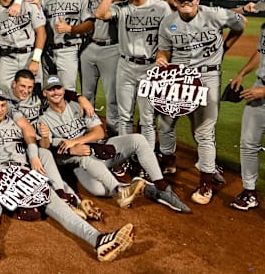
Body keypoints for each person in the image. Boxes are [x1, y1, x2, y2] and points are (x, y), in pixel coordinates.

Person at [0, 87, 134, 263]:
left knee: (59, 206)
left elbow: (38, 143)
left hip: (23, 172)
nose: (0, 109)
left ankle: (99, 240)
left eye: (3, 105)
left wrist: (37, 148)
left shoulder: (16, 124)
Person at [39, 75, 191, 213]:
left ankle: (162, 188)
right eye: (50, 90)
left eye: (58, 88)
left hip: (102, 149)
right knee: (99, 190)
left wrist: (75, 141)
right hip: (82, 165)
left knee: (138, 139)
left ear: (63, 89)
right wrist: (68, 147)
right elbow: (48, 147)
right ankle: (142, 189)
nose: (55, 92)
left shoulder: (79, 106)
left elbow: (99, 133)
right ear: (45, 93)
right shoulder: (44, 118)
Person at [156, 0, 245, 205]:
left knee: (204, 131)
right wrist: (162, 58)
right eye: (182, 0)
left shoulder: (214, 14)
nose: (186, 3)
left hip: (207, 77)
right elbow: (164, 48)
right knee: (166, 121)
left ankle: (205, 181)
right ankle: (168, 160)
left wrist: (224, 47)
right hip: (179, 78)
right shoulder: (168, 22)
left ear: (198, 0)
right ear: (175, 2)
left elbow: (240, 24)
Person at [94, 0, 171, 149]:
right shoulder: (122, 8)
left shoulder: (161, 7)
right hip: (126, 66)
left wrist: (163, 56)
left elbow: (169, 38)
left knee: (147, 118)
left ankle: (147, 157)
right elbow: (100, 14)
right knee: (124, 116)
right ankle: (124, 154)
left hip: (150, 67)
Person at [80, 0, 123, 136]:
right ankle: (87, 134)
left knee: (112, 98)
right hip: (88, 47)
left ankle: (114, 138)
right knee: (86, 96)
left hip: (112, 47)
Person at [228, 3, 264, 210]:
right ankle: (249, 191)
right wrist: (242, 72)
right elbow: (261, 53)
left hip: (262, 91)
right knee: (248, 143)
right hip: (259, 87)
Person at [40, 0, 94, 90]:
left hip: (68, 50)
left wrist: (70, 29)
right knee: (45, 93)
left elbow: (90, 26)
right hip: (46, 52)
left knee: (68, 92)